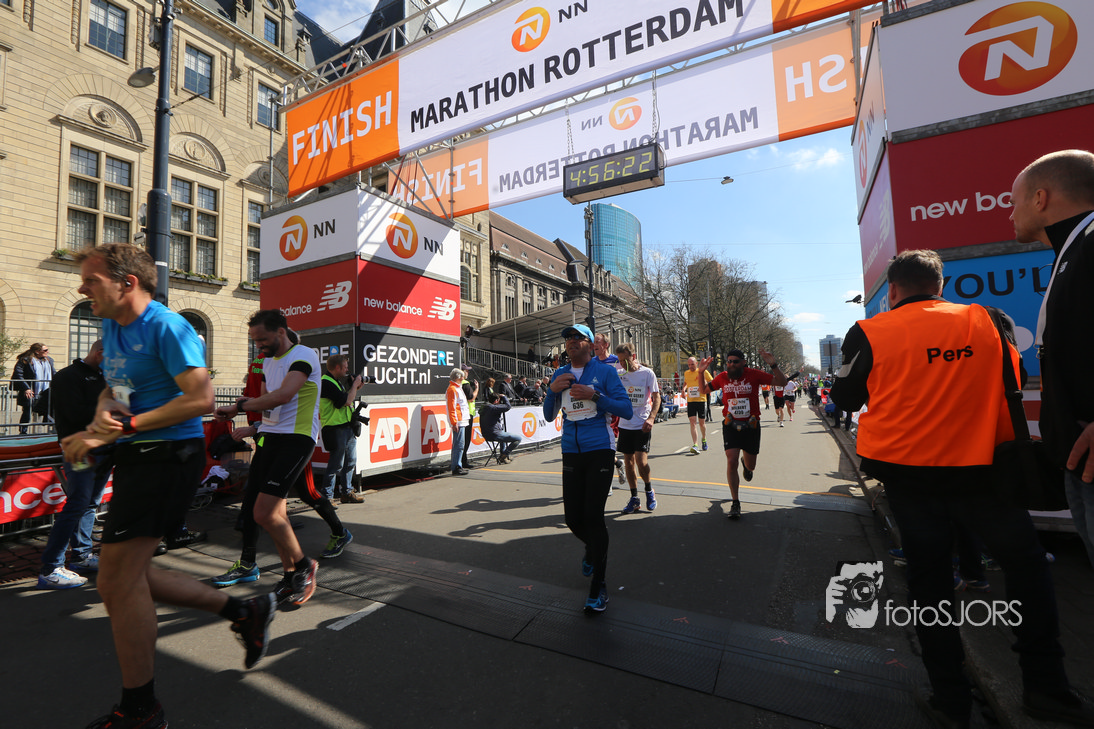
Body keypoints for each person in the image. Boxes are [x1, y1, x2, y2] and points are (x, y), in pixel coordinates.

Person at [830, 249, 1093, 728]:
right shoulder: (990, 320)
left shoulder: (870, 331)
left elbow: (846, 397)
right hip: (987, 471)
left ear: (893, 290)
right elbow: (1015, 377)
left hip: (911, 477)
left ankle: (950, 700)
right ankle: (1047, 688)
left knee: (930, 582)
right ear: (941, 285)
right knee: (1027, 568)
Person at [63, 244, 274, 729]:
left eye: (92, 280)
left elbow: (200, 399)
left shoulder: (168, 326)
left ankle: (141, 711)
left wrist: (129, 425)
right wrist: (101, 417)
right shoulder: (113, 327)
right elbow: (116, 387)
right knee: (128, 576)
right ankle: (245, 610)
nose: (82, 287)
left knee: (116, 580)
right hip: (137, 455)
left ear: (128, 283)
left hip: (170, 455)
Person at [212, 309, 350, 601]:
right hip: (270, 438)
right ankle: (290, 576)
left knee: (265, 512)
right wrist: (254, 424)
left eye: (262, 339)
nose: (258, 345)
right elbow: (268, 403)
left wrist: (238, 407)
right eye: (254, 340)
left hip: (296, 440)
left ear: (281, 332)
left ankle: (304, 566)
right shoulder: (266, 362)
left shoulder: (303, 355)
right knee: (272, 513)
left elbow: (283, 395)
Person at [1011, 149, 1094, 571]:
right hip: (1078, 463)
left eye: (1014, 202)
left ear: (1040, 198)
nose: (1010, 214)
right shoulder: (1074, 248)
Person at [543, 324, 632, 613]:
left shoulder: (605, 372)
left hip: (600, 449)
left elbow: (625, 409)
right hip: (571, 450)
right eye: (567, 338)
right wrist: (551, 392)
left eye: (577, 337)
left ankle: (599, 586)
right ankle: (593, 550)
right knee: (572, 518)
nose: (570, 342)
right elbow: (548, 415)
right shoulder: (559, 373)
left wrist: (594, 396)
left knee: (593, 517)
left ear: (590, 344)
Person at [37, 340, 108, 589]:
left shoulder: (105, 376)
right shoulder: (68, 376)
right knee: (78, 503)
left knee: (90, 503)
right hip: (80, 449)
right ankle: (51, 567)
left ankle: (81, 555)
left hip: (103, 448)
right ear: (100, 353)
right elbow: (74, 414)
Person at [698, 348, 785, 520]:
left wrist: (773, 365)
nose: (731, 364)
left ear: (743, 363)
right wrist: (701, 372)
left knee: (751, 467)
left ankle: (746, 464)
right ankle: (735, 502)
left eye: (735, 362)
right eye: (729, 361)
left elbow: (782, 382)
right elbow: (703, 390)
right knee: (731, 461)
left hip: (751, 425)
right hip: (730, 424)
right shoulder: (723, 377)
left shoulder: (754, 374)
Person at [614, 343, 661, 514]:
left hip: (642, 424)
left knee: (641, 462)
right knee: (628, 462)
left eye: (625, 360)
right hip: (625, 424)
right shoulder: (619, 374)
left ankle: (649, 491)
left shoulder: (647, 373)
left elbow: (657, 397)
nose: (622, 364)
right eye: (620, 361)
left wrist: (651, 418)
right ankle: (634, 498)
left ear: (633, 357)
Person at [319, 354, 364, 504]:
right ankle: (327, 496)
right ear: (337, 367)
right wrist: (355, 386)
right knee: (336, 464)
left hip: (346, 427)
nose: (347, 370)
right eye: (345, 367)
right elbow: (346, 401)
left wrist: (355, 387)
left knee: (351, 461)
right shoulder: (326, 382)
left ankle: (346, 492)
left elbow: (345, 399)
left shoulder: (336, 381)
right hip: (335, 429)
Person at [12, 342, 56, 433]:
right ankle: (23, 432)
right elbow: (18, 375)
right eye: (45, 350)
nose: (47, 352)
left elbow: (54, 374)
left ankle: (46, 430)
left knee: (46, 410)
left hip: (45, 391)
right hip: (31, 391)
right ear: (37, 351)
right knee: (27, 412)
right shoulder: (25, 360)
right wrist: (26, 388)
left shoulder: (49, 360)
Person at [479, 391, 522, 463]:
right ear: (496, 401)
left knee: (502, 432)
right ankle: (504, 455)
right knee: (518, 438)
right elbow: (508, 406)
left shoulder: (485, 407)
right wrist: (504, 397)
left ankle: (503, 455)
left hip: (486, 434)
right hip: (494, 434)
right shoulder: (493, 408)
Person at [683, 357, 713, 453]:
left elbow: (712, 381)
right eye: (689, 365)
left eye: (692, 364)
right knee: (692, 422)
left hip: (701, 400)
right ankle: (695, 444)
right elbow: (686, 382)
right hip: (691, 400)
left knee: (701, 423)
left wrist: (704, 385)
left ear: (696, 363)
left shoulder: (703, 371)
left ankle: (704, 439)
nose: (690, 366)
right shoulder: (686, 373)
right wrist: (683, 390)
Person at [446, 369, 470, 475]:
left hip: (461, 420)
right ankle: (456, 466)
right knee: (459, 444)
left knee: (460, 444)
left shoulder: (456, 388)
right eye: (461, 376)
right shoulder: (453, 389)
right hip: (459, 421)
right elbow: (451, 407)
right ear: (458, 377)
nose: (463, 378)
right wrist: (454, 422)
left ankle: (457, 465)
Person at [460, 365, 479, 469]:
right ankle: (463, 461)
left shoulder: (459, 383)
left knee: (462, 439)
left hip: (463, 413)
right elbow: (471, 398)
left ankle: (462, 460)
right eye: (467, 371)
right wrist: (477, 388)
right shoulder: (465, 383)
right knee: (466, 439)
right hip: (467, 414)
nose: (468, 373)